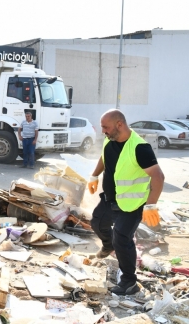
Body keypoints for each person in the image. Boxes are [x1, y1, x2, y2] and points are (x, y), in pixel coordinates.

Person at [88, 109, 164, 296]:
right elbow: (104, 157)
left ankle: (129, 282)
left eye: (106, 127)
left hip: (132, 204)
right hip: (110, 198)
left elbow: (158, 176)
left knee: (121, 237)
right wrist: (94, 175)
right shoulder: (110, 139)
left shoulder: (140, 147)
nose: (103, 131)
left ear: (119, 124)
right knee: (97, 223)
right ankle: (108, 246)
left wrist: (151, 204)